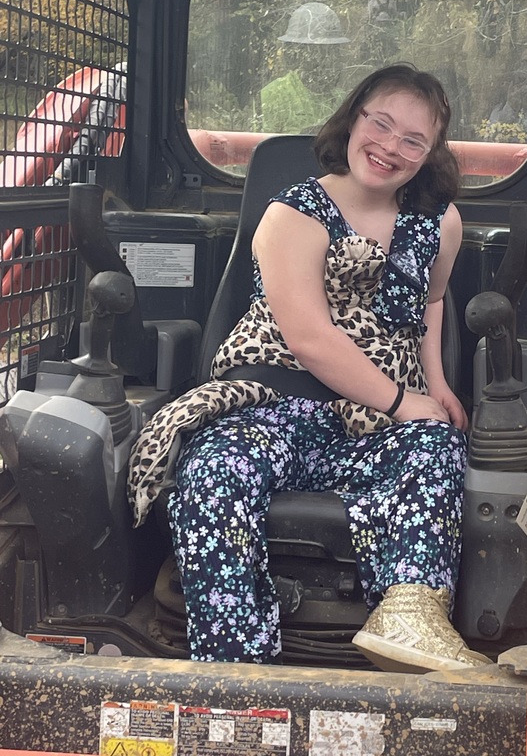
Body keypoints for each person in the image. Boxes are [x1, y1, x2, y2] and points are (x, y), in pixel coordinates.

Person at [136, 63, 490, 673]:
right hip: (273, 406)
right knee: (213, 477)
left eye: (414, 140)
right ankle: (237, 669)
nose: (390, 147)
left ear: (430, 155)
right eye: (380, 124)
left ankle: (410, 618)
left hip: (374, 418)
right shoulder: (292, 215)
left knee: (436, 447)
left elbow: (430, 303)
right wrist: (405, 402)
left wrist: (436, 386)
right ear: (353, 120)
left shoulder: (441, 223)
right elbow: (310, 339)